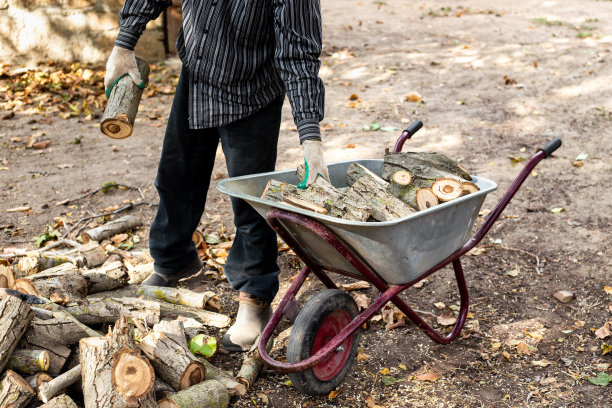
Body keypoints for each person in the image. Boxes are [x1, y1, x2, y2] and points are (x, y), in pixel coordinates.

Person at [104, 0, 329, 352]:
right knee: (177, 175)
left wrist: (310, 136)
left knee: (249, 201)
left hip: (251, 91)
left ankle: (255, 298)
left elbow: (299, 53)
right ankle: (174, 261)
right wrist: (124, 44)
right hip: (198, 74)